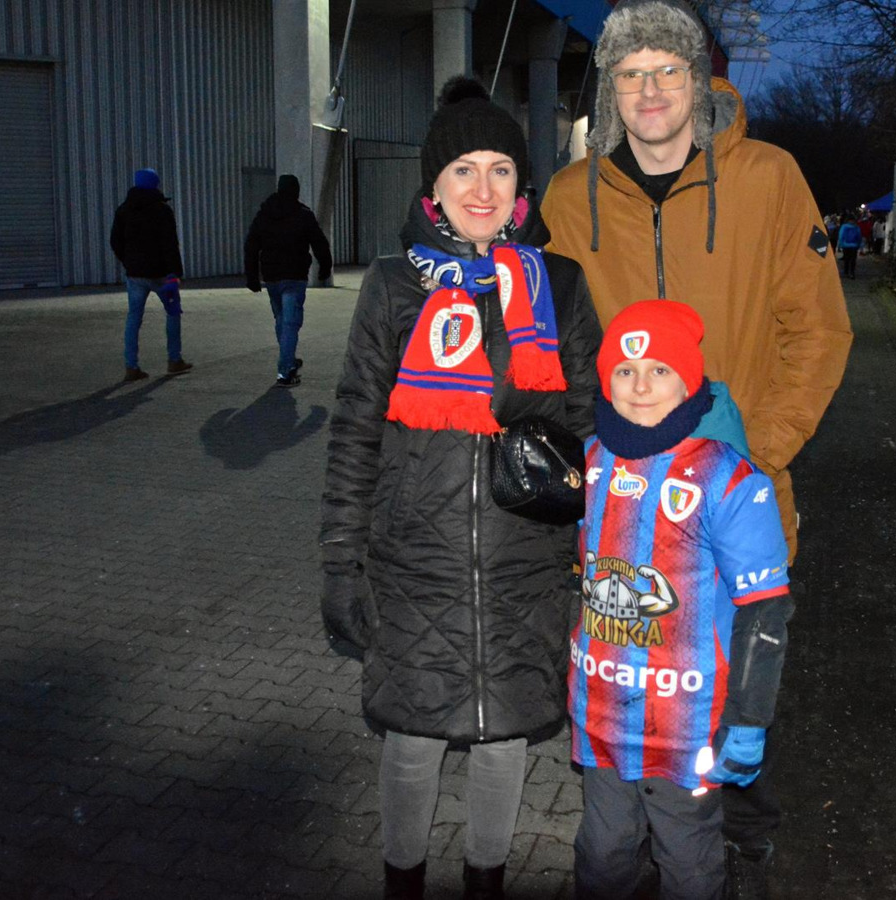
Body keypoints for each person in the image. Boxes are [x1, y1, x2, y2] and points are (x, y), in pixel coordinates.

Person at [541, 0, 852, 892]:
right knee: (628, 699)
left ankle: (736, 850)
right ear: (610, 89)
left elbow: (818, 330)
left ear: (699, 78)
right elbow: (549, 343)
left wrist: (763, 450)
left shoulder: (768, 177)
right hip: (622, 521)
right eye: (630, 73)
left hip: (734, 507)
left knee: (733, 698)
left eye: (667, 70)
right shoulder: (569, 196)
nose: (649, 90)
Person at [319, 76, 602, 900]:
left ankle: (487, 883)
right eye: (464, 171)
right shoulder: (392, 285)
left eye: (501, 170)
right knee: (411, 739)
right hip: (416, 558)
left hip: (526, 560)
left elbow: (591, 431)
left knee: (504, 738)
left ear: (522, 186)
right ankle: (402, 884)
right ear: (434, 189)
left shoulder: (561, 285)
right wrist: (340, 561)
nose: (484, 189)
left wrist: (595, 557)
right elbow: (354, 430)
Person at [570, 300, 792, 900]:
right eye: (625, 371)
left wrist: (749, 719)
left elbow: (765, 612)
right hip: (603, 717)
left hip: (687, 725)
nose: (641, 387)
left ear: (689, 381)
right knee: (602, 853)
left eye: (659, 370)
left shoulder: (729, 478)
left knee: (688, 859)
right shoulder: (588, 461)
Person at [244, 173, 333, 387]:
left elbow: (251, 245)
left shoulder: (264, 214)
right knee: (291, 323)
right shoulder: (303, 215)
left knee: (281, 320)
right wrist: (325, 267)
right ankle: (285, 372)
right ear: (296, 190)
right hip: (294, 276)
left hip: (272, 277)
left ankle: (289, 358)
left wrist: (252, 276)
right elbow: (319, 242)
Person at [110, 168, 192, 380]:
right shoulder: (162, 211)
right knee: (172, 314)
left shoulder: (123, 210)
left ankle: (131, 366)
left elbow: (115, 241)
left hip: (135, 275)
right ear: (155, 184)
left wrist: (128, 261)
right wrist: (175, 272)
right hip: (161, 274)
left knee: (134, 318)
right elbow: (170, 245)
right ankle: (174, 360)